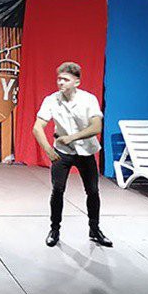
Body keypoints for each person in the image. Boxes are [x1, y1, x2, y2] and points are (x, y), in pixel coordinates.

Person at [33, 62, 112, 248]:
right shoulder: (51, 100)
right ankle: (54, 229)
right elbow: (37, 127)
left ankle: (95, 229)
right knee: (58, 190)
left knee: (92, 191)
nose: (60, 82)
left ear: (76, 82)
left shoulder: (88, 99)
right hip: (63, 152)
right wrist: (48, 150)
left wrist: (72, 137)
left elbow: (96, 127)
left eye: (65, 79)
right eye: (59, 79)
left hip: (86, 151)